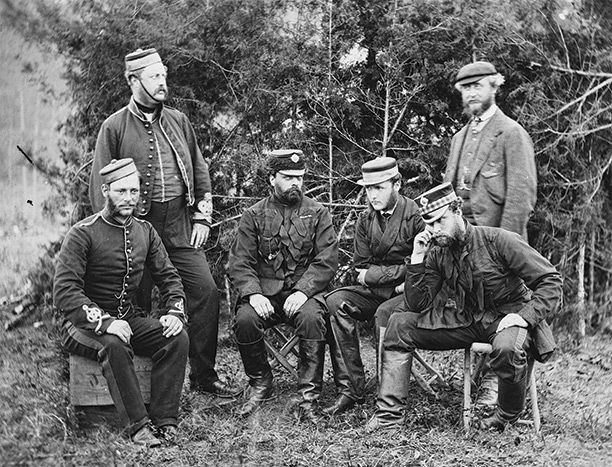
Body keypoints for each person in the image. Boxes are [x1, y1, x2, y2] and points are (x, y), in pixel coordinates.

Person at [89, 48, 236, 397]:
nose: (162, 83)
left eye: (164, 76)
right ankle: (140, 383)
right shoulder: (114, 127)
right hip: (135, 229)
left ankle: (204, 375)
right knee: (132, 302)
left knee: (205, 291)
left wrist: (202, 216)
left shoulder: (179, 121)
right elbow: (100, 187)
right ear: (133, 80)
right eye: (155, 77)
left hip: (179, 226)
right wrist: (115, 235)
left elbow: (199, 169)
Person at [366, 182, 562, 432]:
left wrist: (524, 317)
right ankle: (388, 418)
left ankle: (506, 416)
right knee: (399, 324)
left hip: (507, 318)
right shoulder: (438, 253)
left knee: (506, 348)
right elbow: (417, 304)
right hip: (469, 320)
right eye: (429, 224)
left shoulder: (498, 240)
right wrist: (416, 258)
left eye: (440, 221)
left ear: (457, 211)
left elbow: (551, 280)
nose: (435, 230)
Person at [55, 159, 189, 447]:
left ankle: (165, 420)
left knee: (176, 338)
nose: (128, 199)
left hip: (127, 317)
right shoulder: (83, 233)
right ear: (105, 191)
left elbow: (169, 278)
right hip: (82, 325)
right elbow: (65, 291)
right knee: (113, 344)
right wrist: (106, 323)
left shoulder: (145, 231)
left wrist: (175, 312)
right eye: (121, 191)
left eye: (133, 191)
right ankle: (138, 427)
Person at [444, 60, 538, 403]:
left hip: (498, 250)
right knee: (472, 315)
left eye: (477, 86)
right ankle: (481, 378)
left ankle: (497, 385)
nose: (471, 93)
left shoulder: (511, 133)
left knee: (502, 315)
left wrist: (505, 254)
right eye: (465, 88)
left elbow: (520, 200)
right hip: (462, 251)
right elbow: (450, 198)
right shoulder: (459, 138)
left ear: (494, 87)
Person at [228, 149, 338, 421]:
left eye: (300, 178)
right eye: (288, 177)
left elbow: (327, 260)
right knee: (244, 319)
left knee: (313, 318)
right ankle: (260, 383)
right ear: (271, 178)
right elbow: (240, 262)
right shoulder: (253, 216)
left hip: (304, 295)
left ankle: (307, 396)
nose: (295, 183)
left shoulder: (317, 213)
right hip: (266, 295)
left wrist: (303, 290)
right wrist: (253, 294)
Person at [323, 157, 423, 415]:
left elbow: (425, 264)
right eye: (368, 188)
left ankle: (386, 391)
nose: (372, 194)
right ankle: (351, 388)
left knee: (385, 313)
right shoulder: (366, 220)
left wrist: (388, 277)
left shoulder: (416, 215)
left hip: (409, 294)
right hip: (385, 291)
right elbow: (360, 270)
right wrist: (396, 276)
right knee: (335, 302)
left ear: (397, 184)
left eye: (379, 187)